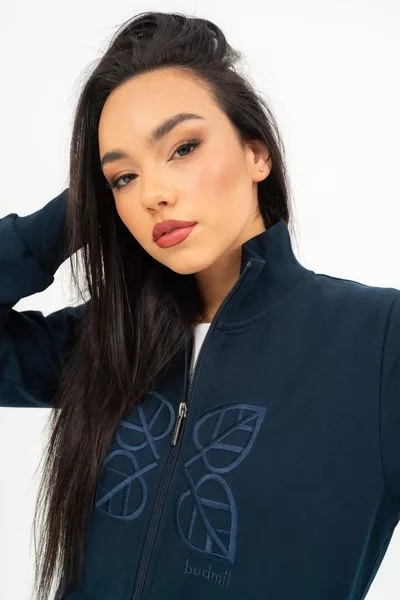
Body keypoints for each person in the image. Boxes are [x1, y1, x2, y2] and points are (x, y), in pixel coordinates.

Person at [1, 10, 400, 600]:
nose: (154, 194)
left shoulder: (378, 342)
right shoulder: (104, 340)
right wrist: (66, 220)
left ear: (257, 154)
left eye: (183, 147)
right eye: (123, 178)